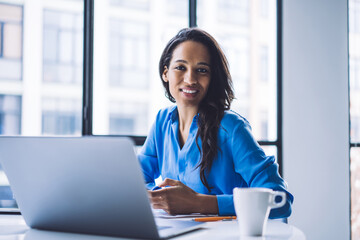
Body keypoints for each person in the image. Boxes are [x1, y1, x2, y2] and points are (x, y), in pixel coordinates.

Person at [138, 27, 293, 218]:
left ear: (212, 78)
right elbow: (136, 180)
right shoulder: (162, 121)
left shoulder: (231, 128)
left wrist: (197, 202)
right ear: (165, 73)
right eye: (180, 67)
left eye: (202, 70)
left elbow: (280, 200)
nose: (190, 79)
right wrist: (161, 199)